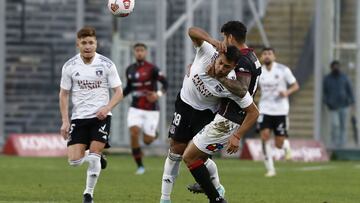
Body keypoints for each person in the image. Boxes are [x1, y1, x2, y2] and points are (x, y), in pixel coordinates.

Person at [160, 21, 259, 203]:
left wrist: (237, 136)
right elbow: (192, 30)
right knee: (177, 152)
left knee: (192, 156)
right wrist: (212, 41)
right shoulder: (209, 51)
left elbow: (251, 106)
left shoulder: (232, 84)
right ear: (218, 54)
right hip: (185, 105)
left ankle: (215, 194)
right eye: (221, 63)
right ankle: (166, 199)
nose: (221, 68)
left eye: (227, 67)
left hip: (211, 114)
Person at [59, 26, 123, 203]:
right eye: (84, 43)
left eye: (91, 43)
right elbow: (63, 94)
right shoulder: (70, 66)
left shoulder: (107, 64)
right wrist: (65, 121)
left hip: (100, 117)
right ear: (78, 44)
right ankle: (98, 156)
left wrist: (107, 107)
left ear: (96, 44)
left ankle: (88, 194)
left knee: (93, 156)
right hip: (79, 118)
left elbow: (119, 92)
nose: (88, 46)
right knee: (74, 161)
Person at [123, 43, 168, 174]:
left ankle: (154, 135)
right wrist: (117, 98)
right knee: (134, 132)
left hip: (151, 109)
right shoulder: (129, 70)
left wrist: (157, 94)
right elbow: (129, 88)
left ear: (146, 52)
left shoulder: (152, 69)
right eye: (137, 50)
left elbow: (165, 83)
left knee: (147, 141)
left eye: (142, 50)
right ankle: (140, 166)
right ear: (134, 52)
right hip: (135, 108)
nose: (139, 53)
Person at [257, 47, 299, 177]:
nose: (267, 56)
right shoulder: (259, 72)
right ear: (261, 57)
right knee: (264, 137)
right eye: (265, 54)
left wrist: (287, 92)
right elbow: (255, 87)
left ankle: (286, 146)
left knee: (278, 144)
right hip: (264, 109)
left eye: (269, 54)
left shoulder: (283, 70)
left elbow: (295, 85)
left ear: (274, 57)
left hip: (280, 110)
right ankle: (270, 169)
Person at [323, 60, 354, 148]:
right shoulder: (327, 79)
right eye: (334, 66)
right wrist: (327, 101)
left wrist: (352, 101)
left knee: (343, 126)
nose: (336, 68)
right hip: (333, 107)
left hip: (344, 105)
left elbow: (349, 90)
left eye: (337, 66)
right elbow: (324, 92)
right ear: (331, 68)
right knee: (335, 125)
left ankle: (342, 144)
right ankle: (334, 144)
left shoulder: (344, 77)